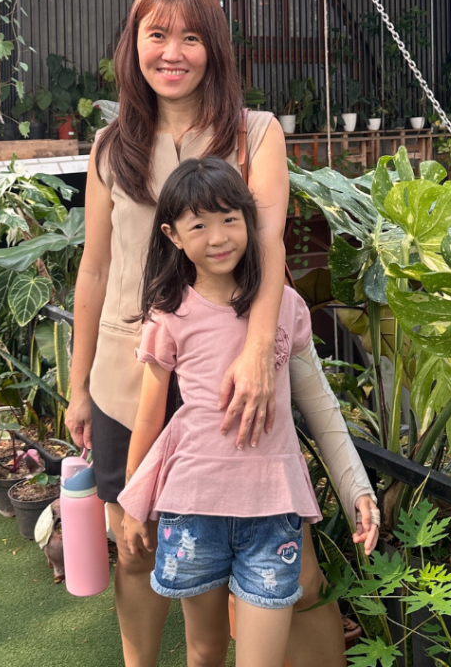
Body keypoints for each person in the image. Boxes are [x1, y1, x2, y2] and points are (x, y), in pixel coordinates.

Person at [67, 0, 378, 667]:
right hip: (131, 371)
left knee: (296, 573)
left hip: (234, 374)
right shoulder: (110, 146)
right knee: (137, 547)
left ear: (214, 48)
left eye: (191, 37)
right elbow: (94, 269)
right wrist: (77, 385)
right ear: (134, 45)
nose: (172, 52)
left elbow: (268, 244)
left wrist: (259, 354)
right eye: (156, 35)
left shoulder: (254, 133)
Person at [118, 157, 379, 667]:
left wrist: (358, 491)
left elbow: (322, 410)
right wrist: (134, 504)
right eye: (199, 225)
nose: (219, 237)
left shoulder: (286, 307)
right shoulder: (169, 316)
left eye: (230, 219)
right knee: (205, 651)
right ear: (173, 235)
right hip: (193, 510)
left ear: (250, 222)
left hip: (273, 514)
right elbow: (149, 420)